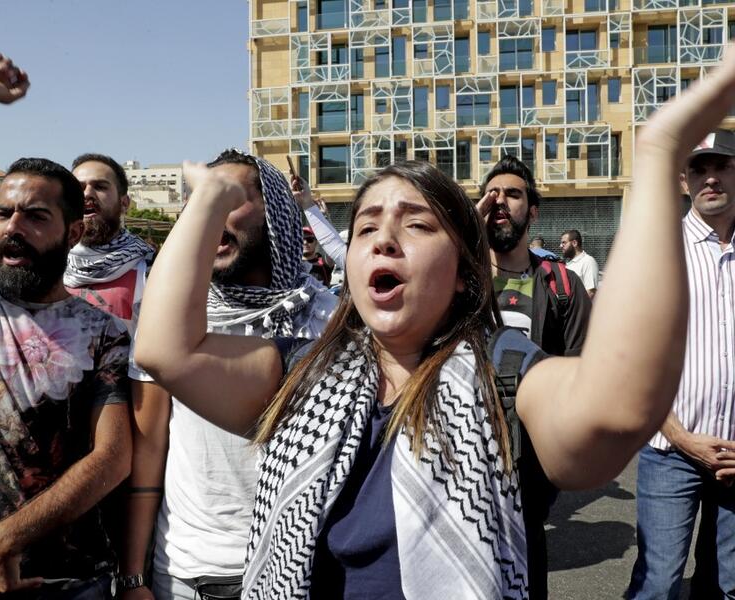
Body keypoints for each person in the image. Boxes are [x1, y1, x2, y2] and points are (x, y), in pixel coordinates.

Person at [136, 42, 704, 593]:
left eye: (417, 224)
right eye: (365, 227)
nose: (383, 238)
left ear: (463, 268)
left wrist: (657, 156)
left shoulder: (507, 372)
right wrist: (211, 197)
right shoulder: (300, 373)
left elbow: (618, 407)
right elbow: (166, 349)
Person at [0, 53, 131, 599]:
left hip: (61, 579)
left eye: (35, 216)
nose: (12, 228)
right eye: (3, 214)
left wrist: (5, 541)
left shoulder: (103, 333)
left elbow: (112, 457)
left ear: (72, 233)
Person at [142, 149, 337, 600]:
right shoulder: (171, 322)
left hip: (301, 567)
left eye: (228, 197)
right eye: (200, 201)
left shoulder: (331, 321)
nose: (210, 213)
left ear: (277, 213)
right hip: (188, 574)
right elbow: (149, 447)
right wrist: (133, 575)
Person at [626, 128, 735, 599]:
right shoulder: (655, 249)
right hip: (672, 451)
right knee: (659, 584)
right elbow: (630, 359)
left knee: (729, 586)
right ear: (684, 180)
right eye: (699, 168)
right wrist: (679, 434)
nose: (710, 178)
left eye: (721, 166)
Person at [479, 155, 592, 598]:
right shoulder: (452, 278)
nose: (500, 201)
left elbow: (584, 370)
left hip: (529, 467)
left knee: (526, 579)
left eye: (513, 194)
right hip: (458, 459)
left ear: (534, 210)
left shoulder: (561, 284)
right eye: (492, 195)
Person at [65, 153, 170, 597]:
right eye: (78, 188)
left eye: (100, 186)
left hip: (134, 455)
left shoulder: (155, 271)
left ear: (125, 202)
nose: (87, 194)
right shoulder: (45, 270)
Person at [560, 229, 599, 297]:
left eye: (564, 243)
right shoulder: (568, 263)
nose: (560, 246)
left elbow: (590, 292)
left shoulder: (588, 261)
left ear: (574, 243)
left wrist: (576, 307)